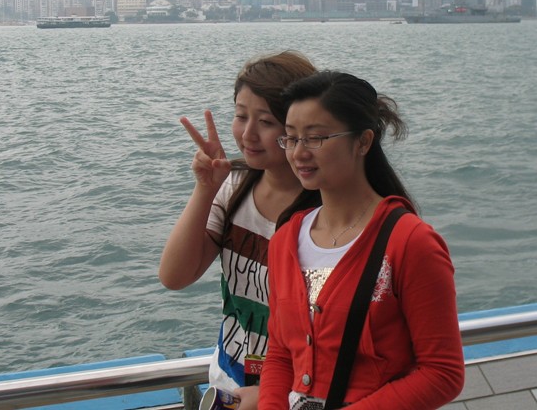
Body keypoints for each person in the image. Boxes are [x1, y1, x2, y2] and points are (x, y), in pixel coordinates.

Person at [259, 71, 465, 410]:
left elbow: (442, 372)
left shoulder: (410, 242)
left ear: (363, 142)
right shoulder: (285, 240)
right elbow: (281, 351)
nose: (298, 153)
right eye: (291, 138)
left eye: (316, 138)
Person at [159, 51, 321, 410]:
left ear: (297, 127)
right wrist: (205, 188)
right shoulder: (234, 188)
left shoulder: (326, 209)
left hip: (300, 391)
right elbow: (174, 275)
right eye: (240, 116)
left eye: (265, 121)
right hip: (230, 377)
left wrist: (272, 394)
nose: (247, 134)